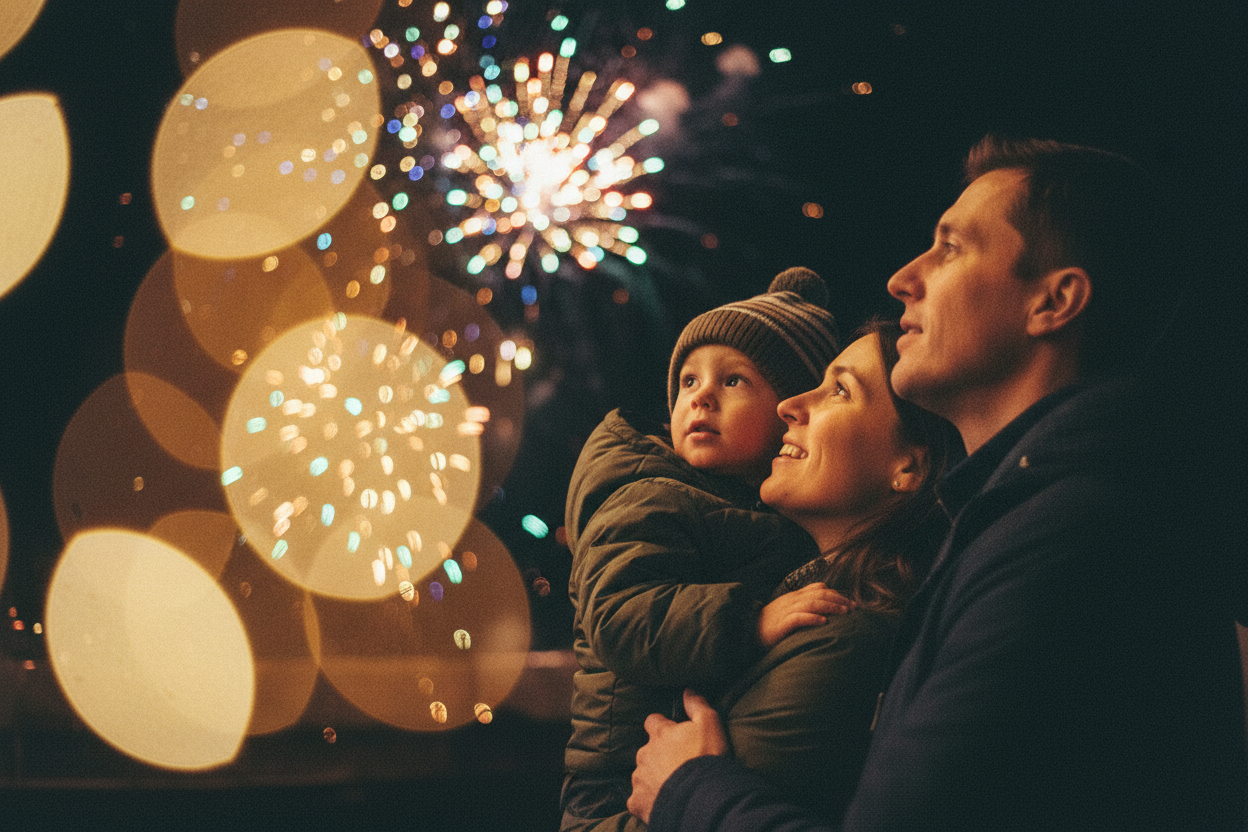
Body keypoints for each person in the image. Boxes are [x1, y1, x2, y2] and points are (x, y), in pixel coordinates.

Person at [628, 137, 1248, 831]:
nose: (902, 278)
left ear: (1055, 301)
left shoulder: (1071, 541)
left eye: (951, 248)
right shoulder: (1036, 521)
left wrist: (691, 790)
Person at [561, 268, 846, 830]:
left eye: (734, 381)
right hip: (616, 788)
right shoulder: (650, 496)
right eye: (688, 382)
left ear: (792, 412)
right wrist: (751, 622)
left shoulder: (738, 506)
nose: (702, 397)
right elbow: (621, 617)